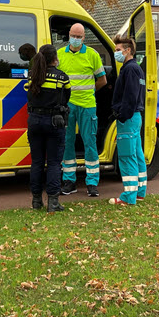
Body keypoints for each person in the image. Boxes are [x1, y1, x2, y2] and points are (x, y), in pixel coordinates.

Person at [57, 23, 107, 197]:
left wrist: (89, 92)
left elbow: (102, 80)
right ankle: (69, 181)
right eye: (73, 35)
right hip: (67, 106)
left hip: (87, 106)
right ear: (69, 35)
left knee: (90, 143)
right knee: (67, 143)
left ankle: (92, 183)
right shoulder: (59, 55)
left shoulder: (92, 55)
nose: (76, 39)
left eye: (79, 36)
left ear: (84, 37)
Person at [25, 44, 71, 212]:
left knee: (36, 162)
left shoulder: (33, 76)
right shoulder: (62, 77)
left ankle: (36, 201)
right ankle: (53, 203)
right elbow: (66, 98)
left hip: (34, 121)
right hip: (54, 122)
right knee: (53, 163)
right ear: (54, 59)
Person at [109, 36, 147, 206]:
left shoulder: (129, 70)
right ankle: (139, 192)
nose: (116, 53)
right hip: (135, 116)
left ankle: (128, 197)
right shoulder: (137, 69)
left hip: (128, 118)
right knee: (137, 155)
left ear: (128, 50)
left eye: (118, 50)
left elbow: (129, 97)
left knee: (126, 156)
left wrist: (121, 115)